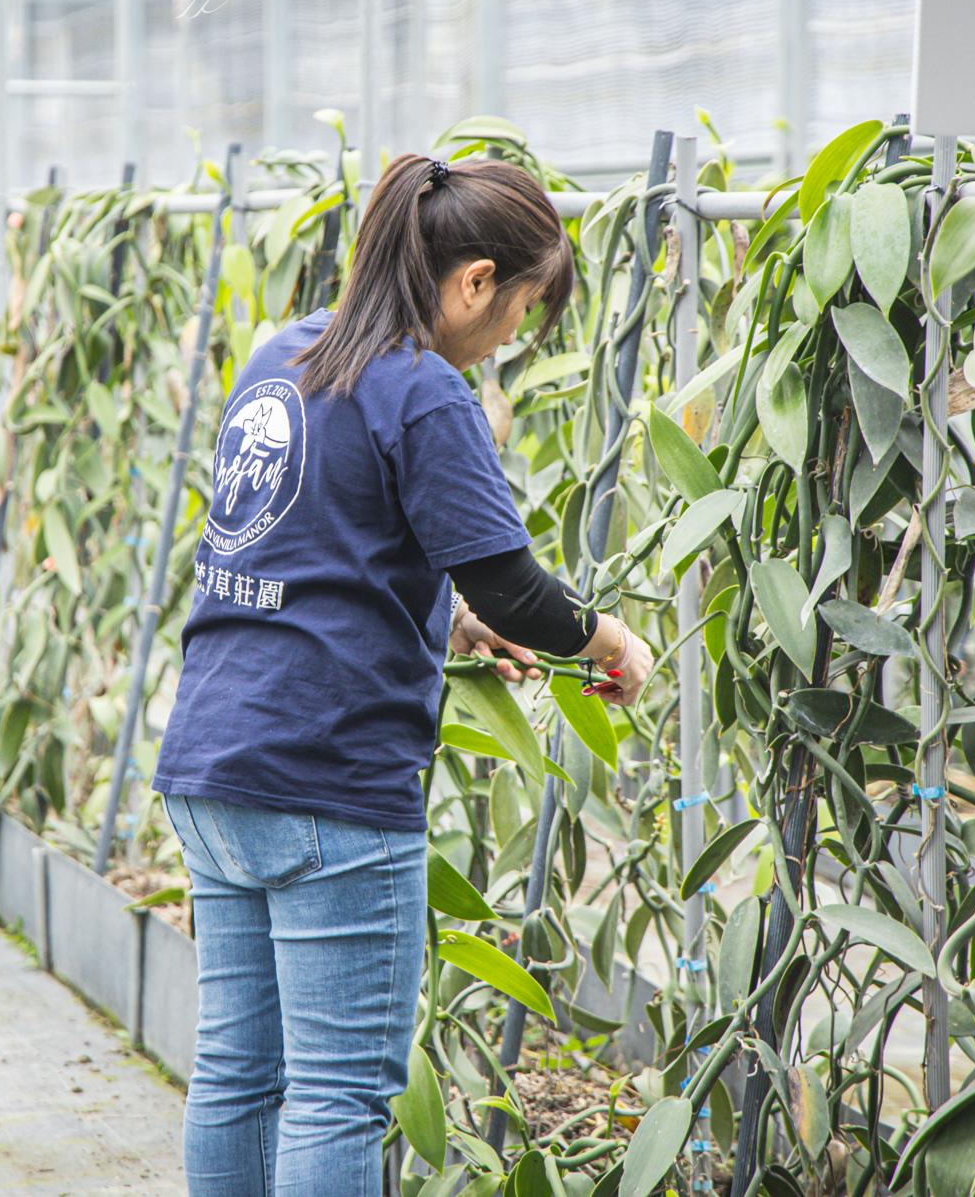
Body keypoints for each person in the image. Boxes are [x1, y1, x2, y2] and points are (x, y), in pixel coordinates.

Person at [149, 152, 654, 1196]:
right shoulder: (421, 387)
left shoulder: (280, 357)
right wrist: (610, 641)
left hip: (212, 760)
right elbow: (516, 587)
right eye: (521, 307)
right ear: (473, 280)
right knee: (337, 1095)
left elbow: (300, 544)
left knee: (238, 1077)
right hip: (328, 783)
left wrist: (449, 622)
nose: (513, 336)